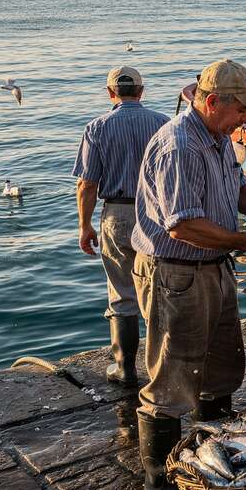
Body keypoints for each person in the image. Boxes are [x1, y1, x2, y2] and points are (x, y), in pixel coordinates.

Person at [130, 59, 246, 490]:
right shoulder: (180, 146)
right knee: (172, 377)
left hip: (214, 267)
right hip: (176, 273)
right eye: (243, 110)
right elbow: (182, 225)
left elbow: (239, 187)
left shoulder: (219, 137)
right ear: (212, 102)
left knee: (221, 366)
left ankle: (212, 453)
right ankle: (156, 484)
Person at [72, 67, 168, 385]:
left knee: (122, 293)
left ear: (110, 93)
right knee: (158, 291)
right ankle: (163, 369)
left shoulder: (97, 128)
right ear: (141, 91)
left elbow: (87, 184)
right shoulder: (163, 123)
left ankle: (125, 370)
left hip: (117, 213)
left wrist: (85, 226)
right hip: (156, 215)